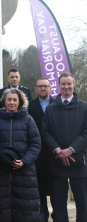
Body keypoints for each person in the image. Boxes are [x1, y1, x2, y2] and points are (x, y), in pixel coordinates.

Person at [0, 88, 42, 222]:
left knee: (25, 209)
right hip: (1, 173)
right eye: (9, 99)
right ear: (4, 101)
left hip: (25, 173)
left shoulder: (28, 120)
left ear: (20, 101)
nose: (12, 102)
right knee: (2, 209)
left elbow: (35, 144)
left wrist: (25, 161)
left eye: (14, 100)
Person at [41, 72, 87, 222]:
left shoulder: (84, 107)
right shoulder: (50, 109)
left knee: (83, 203)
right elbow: (45, 132)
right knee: (58, 203)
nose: (66, 86)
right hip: (57, 161)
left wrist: (71, 150)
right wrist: (58, 150)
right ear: (58, 86)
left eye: (69, 83)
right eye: (63, 84)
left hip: (78, 162)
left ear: (74, 85)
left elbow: (86, 132)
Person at [28, 77, 55, 222]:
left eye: (45, 86)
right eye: (40, 86)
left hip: (55, 153)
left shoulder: (57, 104)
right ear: (36, 89)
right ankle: (43, 217)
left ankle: (57, 216)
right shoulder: (29, 105)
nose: (43, 88)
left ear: (50, 88)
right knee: (40, 191)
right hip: (37, 154)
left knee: (57, 191)